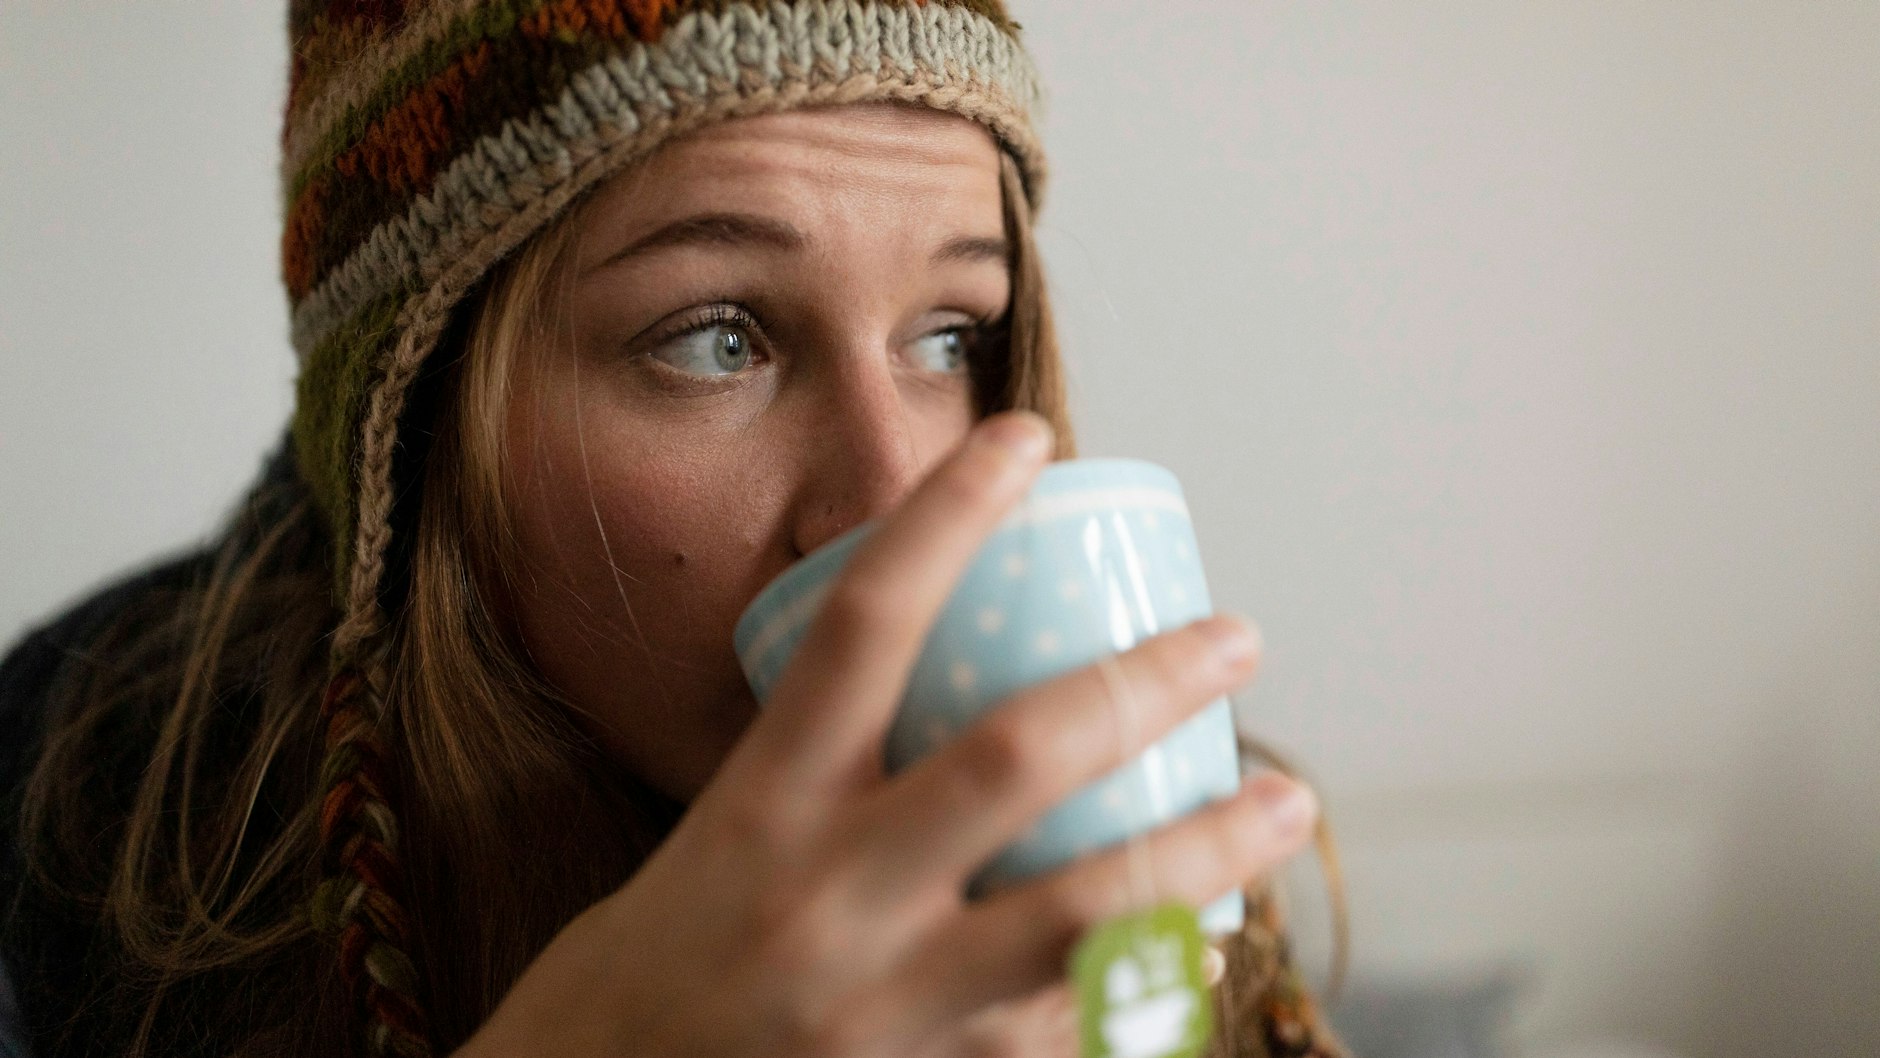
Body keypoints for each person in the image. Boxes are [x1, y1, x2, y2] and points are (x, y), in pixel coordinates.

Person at [0, 3, 1351, 1056]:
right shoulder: (67, 826)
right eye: (718, 338)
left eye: (953, 335)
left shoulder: (1117, 792)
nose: (893, 510)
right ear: (414, 435)